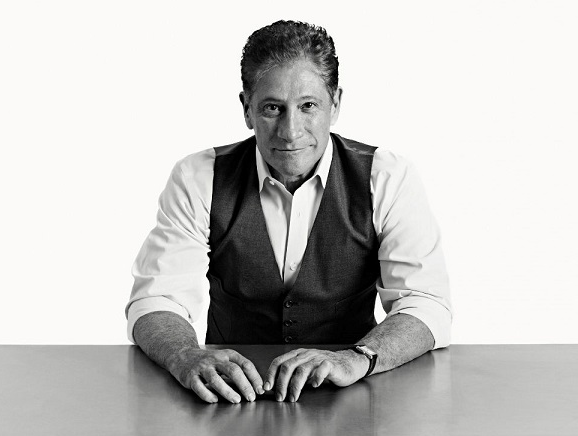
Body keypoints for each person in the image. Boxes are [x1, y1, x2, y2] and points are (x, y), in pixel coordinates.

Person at [126, 20, 452, 404]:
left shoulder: (387, 177)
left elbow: (425, 302)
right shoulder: (199, 177)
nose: (290, 131)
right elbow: (158, 299)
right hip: (231, 396)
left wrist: (357, 358)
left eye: (308, 106)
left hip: (352, 395)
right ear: (246, 109)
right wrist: (185, 355)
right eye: (272, 108)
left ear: (336, 104)